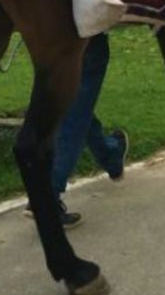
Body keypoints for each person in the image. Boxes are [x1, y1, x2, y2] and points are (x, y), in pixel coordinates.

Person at [26, 33, 129, 228]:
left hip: (44, 38)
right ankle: (47, 194)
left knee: (77, 105)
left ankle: (110, 154)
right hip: (82, 35)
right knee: (75, 110)